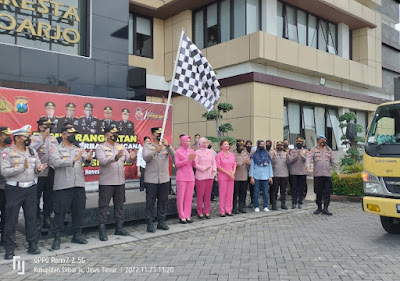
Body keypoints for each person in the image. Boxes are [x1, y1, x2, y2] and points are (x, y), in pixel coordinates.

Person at [1, 125, 47, 260]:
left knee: (31, 218)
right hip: (14, 189)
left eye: (28, 136)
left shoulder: (32, 151)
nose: (27, 138)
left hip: (31, 188)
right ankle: (9, 248)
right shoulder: (7, 152)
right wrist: (22, 167)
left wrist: (39, 169)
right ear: (17, 138)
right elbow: (5, 172)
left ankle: (33, 244)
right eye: (25, 136)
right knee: (11, 219)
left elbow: (36, 169)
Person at [50, 127, 93, 250]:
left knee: (78, 211)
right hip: (63, 186)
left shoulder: (77, 149)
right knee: (60, 213)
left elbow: (87, 161)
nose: (73, 136)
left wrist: (89, 159)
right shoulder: (56, 149)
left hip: (78, 185)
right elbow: (56, 163)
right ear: (64, 135)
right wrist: (73, 160)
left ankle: (77, 235)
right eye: (71, 134)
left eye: (74, 134)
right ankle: (57, 237)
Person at [96, 127, 137, 241]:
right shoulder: (101, 147)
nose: (115, 135)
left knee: (119, 205)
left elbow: (128, 159)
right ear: (106, 135)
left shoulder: (121, 146)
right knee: (103, 206)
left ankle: (119, 227)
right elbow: (103, 161)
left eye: (116, 133)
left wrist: (133, 157)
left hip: (120, 182)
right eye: (113, 133)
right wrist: (115, 157)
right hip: (107, 182)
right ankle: (102, 230)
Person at [142, 127, 175, 233]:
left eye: (161, 133)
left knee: (163, 201)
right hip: (151, 179)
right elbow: (146, 158)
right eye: (157, 133)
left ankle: (161, 221)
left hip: (164, 179)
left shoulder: (166, 146)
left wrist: (169, 146)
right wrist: (155, 151)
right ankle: (150, 223)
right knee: (150, 202)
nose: (159, 135)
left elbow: (175, 157)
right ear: (152, 135)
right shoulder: (147, 146)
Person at [31, 118, 58, 231]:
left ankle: (46, 217)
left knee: (49, 196)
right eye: (46, 126)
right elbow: (30, 149)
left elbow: (56, 151)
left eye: (50, 126)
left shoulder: (53, 138)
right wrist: (42, 138)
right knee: (35, 197)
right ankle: (36, 218)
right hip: (38, 172)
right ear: (41, 127)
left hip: (51, 171)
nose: (49, 128)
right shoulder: (34, 138)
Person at [306, 135, 339, 216]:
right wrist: (308, 165)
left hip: (327, 175)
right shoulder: (314, 150)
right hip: (318, 175)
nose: (323, 142)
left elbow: (333, 161)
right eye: (321, 140)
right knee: (318, 192)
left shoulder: (329, 150)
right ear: (318, 141)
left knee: (327, 192)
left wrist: (337, 171)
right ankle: (319, 208)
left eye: (324, 140)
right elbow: (309, 158)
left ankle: (326, 208)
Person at [174, 136, 196, 224]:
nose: (188, 142)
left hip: (190, 176)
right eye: (186, 141)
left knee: (189, 197)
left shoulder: (192, 151)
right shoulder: (178, 151)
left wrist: (193, 160)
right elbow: (177, 164)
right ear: (182, 142)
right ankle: (181, 215)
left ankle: (187, 215)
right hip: (181, 177)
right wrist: (187, 159)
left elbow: (194, 164)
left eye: (189, 141)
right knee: (181, 197)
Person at [194, 138, 216, 219]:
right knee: (200, 195)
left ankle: (207, 211)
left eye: (206, 142)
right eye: (203, 142)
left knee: (208, 194)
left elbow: (214, 162)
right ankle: (199, 211)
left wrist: (214, 170)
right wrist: (203, 168)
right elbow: (195, 164)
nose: (205, 144)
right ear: (200, 143)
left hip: (209, 175)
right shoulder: (197, 152)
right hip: (200, 176)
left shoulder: (210, 152)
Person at [249, 140, 273, 212]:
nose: (262, 145)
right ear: (258, 145)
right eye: (261, 144)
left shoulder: (267, 155)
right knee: (256, 192)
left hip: (265, 176)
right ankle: (256, 206)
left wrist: (270, 176)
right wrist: (252, 177)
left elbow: (269, 166)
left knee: (265, 192)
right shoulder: (254, 155)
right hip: (256, 176)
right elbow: (252, 166)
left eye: (263, 144)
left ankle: (265, 206)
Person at [216, 140, 236, 216]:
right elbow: (218, 166)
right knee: (223, 194)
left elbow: (234, 165)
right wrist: (227, 172)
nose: (226, 146)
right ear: (221, 146)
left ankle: (229, 209)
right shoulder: (219, 155)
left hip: (231, 176)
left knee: (230, 194)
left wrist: (233, 172)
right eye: (225, 144)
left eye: (227, 144)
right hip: (223, 176)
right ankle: (222, 210)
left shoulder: (231, 155)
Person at [0, 127, 12, 246]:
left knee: (6, 214)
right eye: (6, 135)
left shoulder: (10, 150)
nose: (9, 137)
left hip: (6, 187)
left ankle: (4, 239)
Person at [271, 141, 290, 210]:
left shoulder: (285, 154)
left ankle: (283, 204)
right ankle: (274, 204)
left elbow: (289, 163)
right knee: (274, 190)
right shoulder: (273, 153)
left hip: (284, 175)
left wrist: (288, 156)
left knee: (283, 191)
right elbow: (272, 163)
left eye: (281, 146)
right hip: (275, 174)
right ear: (276, 146)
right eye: (278, 145)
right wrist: (274, 156)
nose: (280, 147)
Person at [233, 140, 250, 214]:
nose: (241, 147)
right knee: (235, 193)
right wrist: (241, 163)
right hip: (236, 176)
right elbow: (233, 164)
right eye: (240, 146)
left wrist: (249, 162)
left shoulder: (245, 153)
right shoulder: (233, 154)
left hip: (244, 176)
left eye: (243, 146)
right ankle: (234, 207)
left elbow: (249, 162)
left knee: (243, 193)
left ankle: (241, 206)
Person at [290, 137, 308, 209]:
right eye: (298, 142)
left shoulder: (306, 151)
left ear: (303, 143)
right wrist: (297, 156)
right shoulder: (293, 151)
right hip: (294, 172)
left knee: (301, 188)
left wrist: (301, 155)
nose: (299, 143)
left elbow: (307, 159)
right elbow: (291, 160)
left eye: (300, 142)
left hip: (302, 172)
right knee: (294, 188)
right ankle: (294, 203)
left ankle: (300, 202)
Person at [245, 140, 255, 208]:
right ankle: (243, 202)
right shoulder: (243, 152)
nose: (249, 146)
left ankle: (253, 201)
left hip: (252, 173)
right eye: (247, 144)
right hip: (244, 173)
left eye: (250, 144)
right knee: (244, 189)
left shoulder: (254, 152)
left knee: (252, 189)